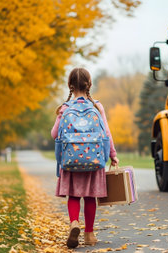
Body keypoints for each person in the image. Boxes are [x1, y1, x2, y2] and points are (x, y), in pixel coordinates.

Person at [51, 67, 119, 249]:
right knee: (90, 197)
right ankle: (89, 234)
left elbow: (54, 134)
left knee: (73, 196)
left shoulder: (65, 108)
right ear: (89, 84)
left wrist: (59, 116)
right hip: (94, 160)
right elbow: (107, 133)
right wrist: (112, 155)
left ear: (70, 86)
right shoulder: (97, 106)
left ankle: (74, 222)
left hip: (70, 160)